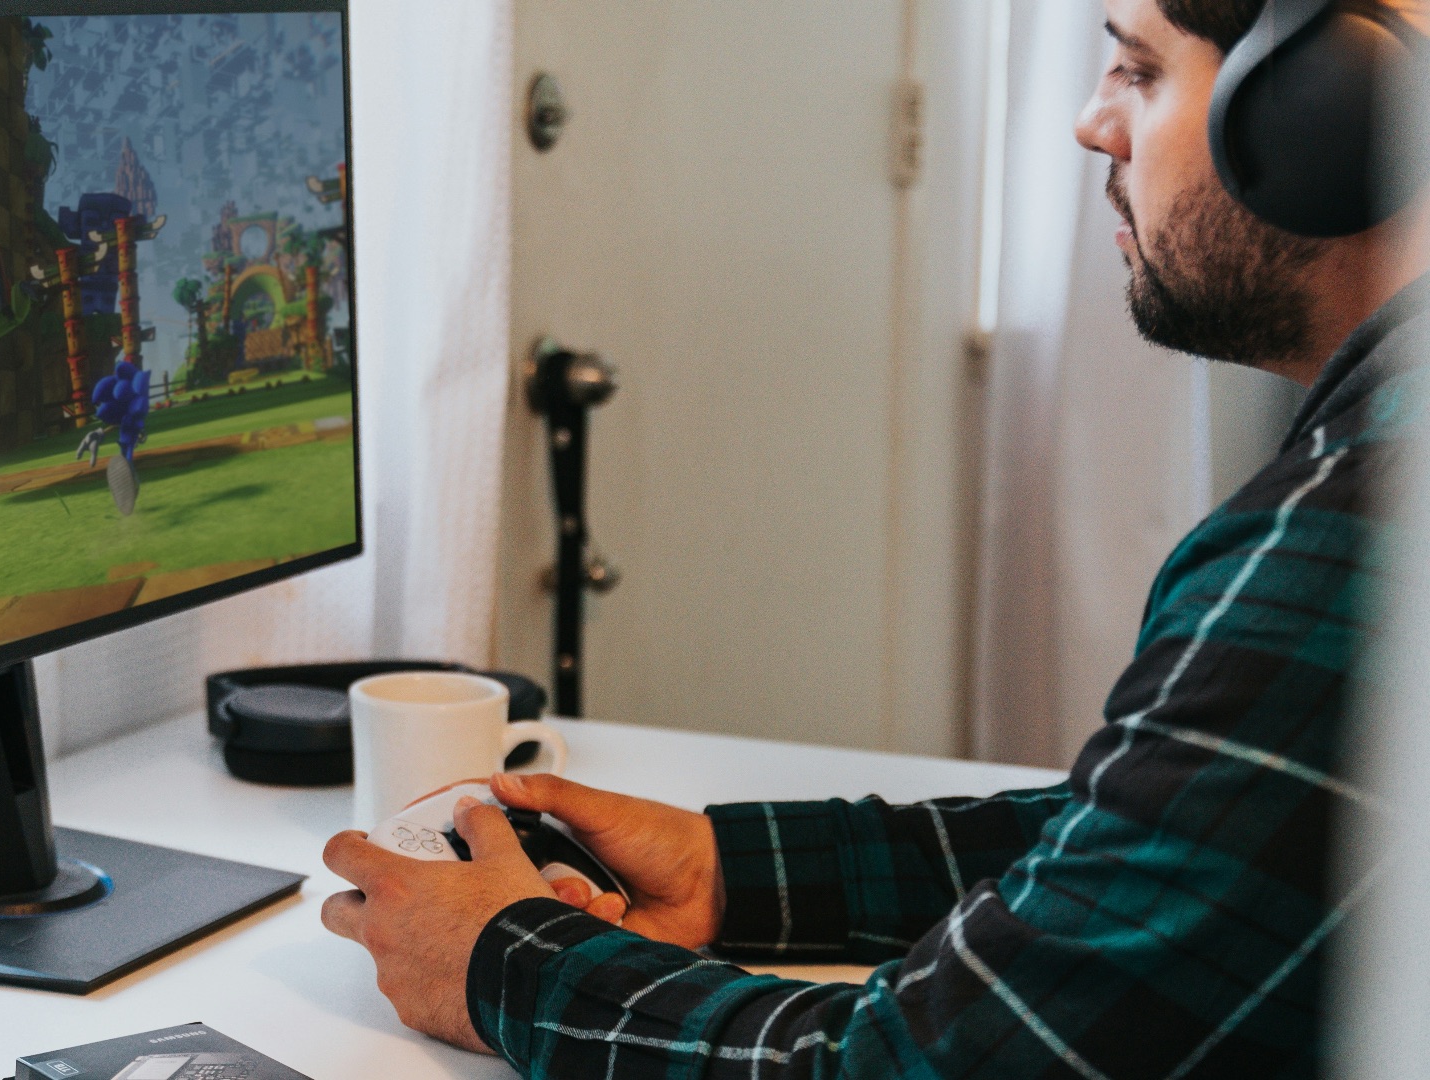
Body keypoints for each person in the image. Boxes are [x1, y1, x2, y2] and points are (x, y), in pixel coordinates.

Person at [321, 0, 1430, 1074]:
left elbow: (927, 1066)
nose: (1094, 121)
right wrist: (733, 871)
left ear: (1330, 104)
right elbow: (1186, 847)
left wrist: (500, 961)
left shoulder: (1352, 532)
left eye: (1137, 69)